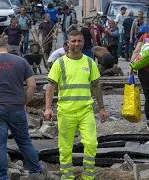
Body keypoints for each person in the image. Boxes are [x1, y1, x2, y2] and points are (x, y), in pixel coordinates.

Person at [44, 30, 107, 180]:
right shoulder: (59, 63)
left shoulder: (89, 62)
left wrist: (102, 108)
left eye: (79, 41)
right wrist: (47, 108)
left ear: (83, 42)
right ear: (67, 43)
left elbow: (96, 86)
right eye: (73, 41)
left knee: (91, 144)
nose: (76, 44)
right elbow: (51, 86)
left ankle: (88, 176)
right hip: (66, 112)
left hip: (86, 111)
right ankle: (67, 177)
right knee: (65, 148)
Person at [0, 35, 47, 180]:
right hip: (17, 108)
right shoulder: (21, 61)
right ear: (7, 46)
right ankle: (35, 170)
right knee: (24, 141)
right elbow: (32, 86)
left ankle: (2, 177)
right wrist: (24, 102)